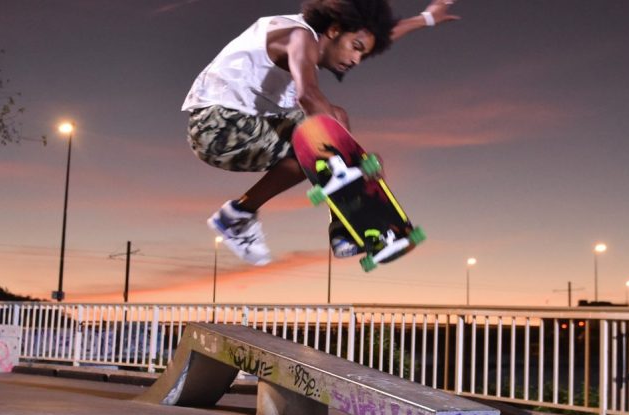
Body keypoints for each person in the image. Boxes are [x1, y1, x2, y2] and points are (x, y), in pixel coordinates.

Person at [184, 0, 459, 265]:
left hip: (239, 122)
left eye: (362, 54)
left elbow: (379, 36)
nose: (355, 59)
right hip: (217, 126)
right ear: (334, 30)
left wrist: (427, 18)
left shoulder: (315, 33)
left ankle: (251, 214)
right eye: (355, 48)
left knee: (327, 130)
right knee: (323, 134)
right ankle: (331, 222)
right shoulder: (299, 37)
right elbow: (308, 95)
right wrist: (353, 159)